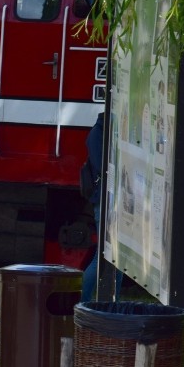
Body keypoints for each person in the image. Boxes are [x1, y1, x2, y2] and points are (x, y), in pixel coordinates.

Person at [81, 112, 123, 302]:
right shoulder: (101, 133)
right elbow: (104, 168)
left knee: (115, 257)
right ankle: (82, 300)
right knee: (105, 256)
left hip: (106, 199)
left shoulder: (98, 133)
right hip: (107, 200)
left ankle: (105, 302)